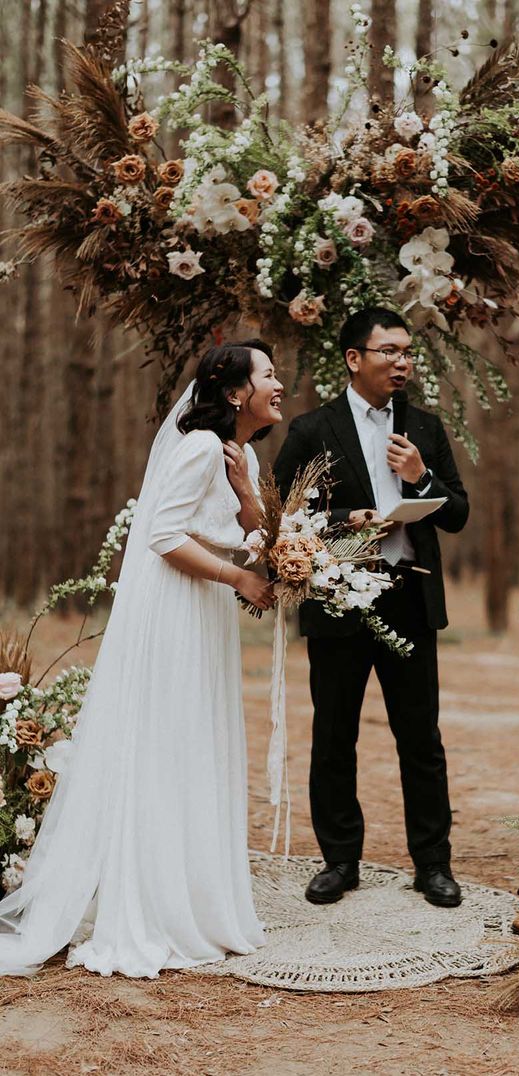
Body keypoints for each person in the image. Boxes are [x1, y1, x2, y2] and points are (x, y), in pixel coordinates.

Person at [0, 341, 283, 977]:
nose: (279, 383)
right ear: (236, 392)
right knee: (168, 744)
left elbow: (251, 534)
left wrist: (245, 489)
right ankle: (150, 901)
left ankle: (194, 894)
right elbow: (159, 535)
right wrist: (237, 580)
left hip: (204, 611)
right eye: (268, 374)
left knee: (196, 744)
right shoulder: (200, 446)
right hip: (177, 611)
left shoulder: (237, 454)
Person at [273, 307, 469, 908]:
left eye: (407, 351)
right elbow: (282, 514)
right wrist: (344, 521)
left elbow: (457, 512)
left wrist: (420, 475)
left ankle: (433, 865)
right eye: (389, 351)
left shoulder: (426, 428)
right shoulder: (312, 430)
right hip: (337, 601)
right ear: (354, 359)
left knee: (421, 737)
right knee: (334, 734)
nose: (402, 362)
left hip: (410, 597)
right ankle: (339, 860)